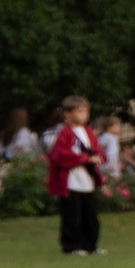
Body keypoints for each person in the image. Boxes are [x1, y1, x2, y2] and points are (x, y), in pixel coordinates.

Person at [47, 96, 107, 256]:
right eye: (80, 111)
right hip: (71, 181)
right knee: (72, 216)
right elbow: (60, 155)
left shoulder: (88, 132)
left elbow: (98, 149)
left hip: (87, 180)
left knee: (91, 215)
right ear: (67, 114)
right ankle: (72, 245)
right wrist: (85, 158)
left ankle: (91, 245)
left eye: (86, 111)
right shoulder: (65, 133)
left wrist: (99, 157)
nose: (84, 115)